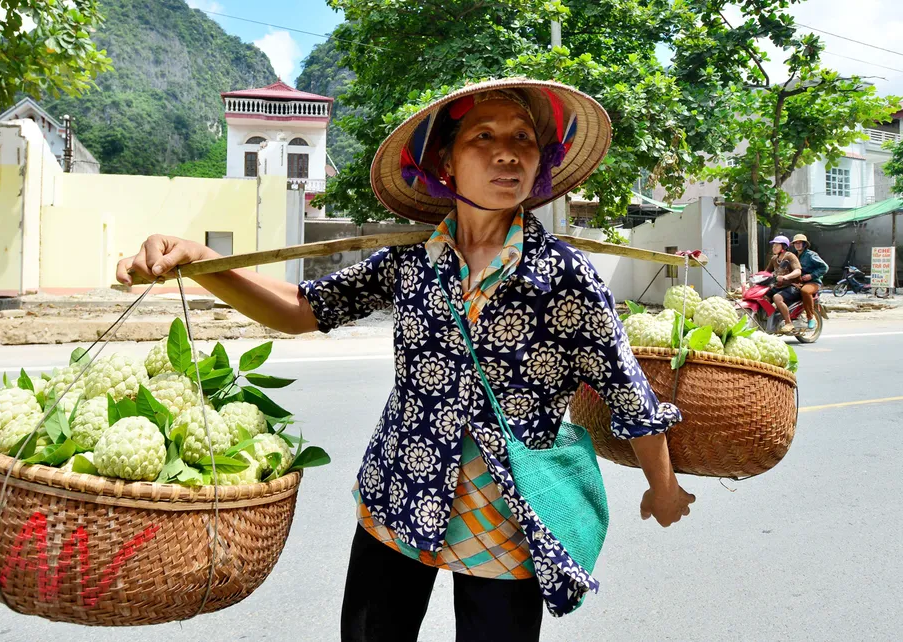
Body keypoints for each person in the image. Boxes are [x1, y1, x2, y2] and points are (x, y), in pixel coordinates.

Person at [117, 79, 694, 642]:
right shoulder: (414, 265)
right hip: (400, 490)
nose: (506, 153)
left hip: (508, 513)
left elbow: (629, 394)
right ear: (446, 164)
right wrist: (206, 261)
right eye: (483, 137)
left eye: (522, 138)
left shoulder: (565, 277)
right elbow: (301, 308)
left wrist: (661, 488)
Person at [764, 235, 802, 334]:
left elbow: (798, 271)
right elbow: (767, 272)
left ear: (784, 247)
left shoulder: (790, 256)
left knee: (777, 298)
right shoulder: (774, 259)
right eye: (773, 245)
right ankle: (772, 320)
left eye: (777, 245)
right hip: (778, 286)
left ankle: (789, 323)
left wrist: (786, 277)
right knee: (763, 297)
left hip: (792, 286)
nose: (774, 247)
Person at [791, 233, 828, 330]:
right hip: (799, 282)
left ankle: (810, 317)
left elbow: (824, 267)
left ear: (804, 244)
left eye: (800, 243)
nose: (798, 245)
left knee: (805, 291)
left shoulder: (811, 255)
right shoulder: (794, 256)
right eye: (796, 243)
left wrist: (811, 275)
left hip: (813, 282)